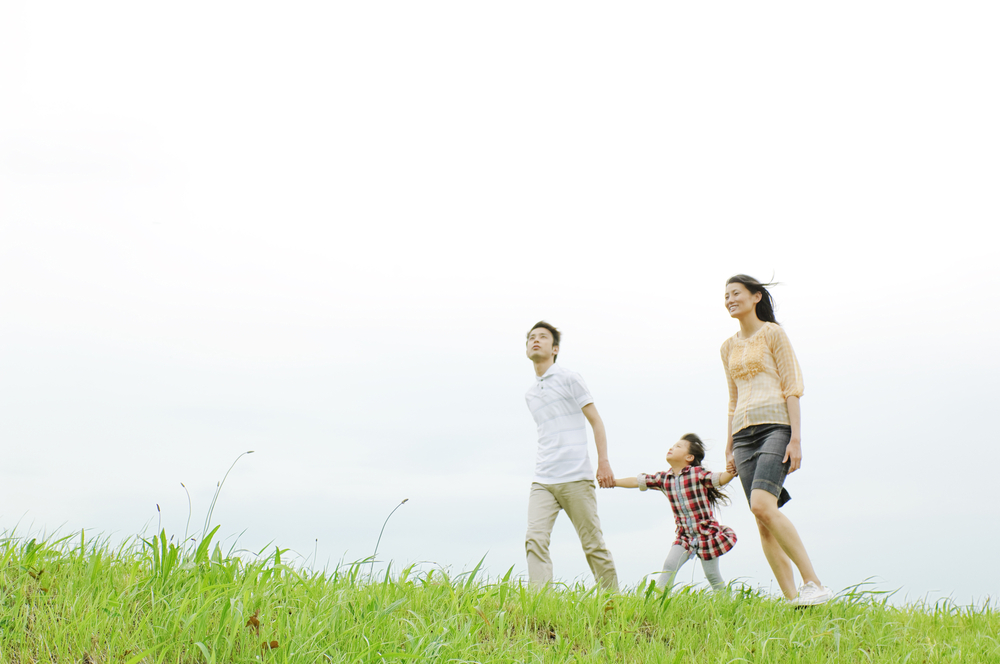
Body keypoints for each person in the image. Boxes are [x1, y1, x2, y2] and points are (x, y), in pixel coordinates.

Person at [722, 274, 832, 606]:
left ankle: (815, 584)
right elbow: (731, 398)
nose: (729, 299)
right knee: (763, 519)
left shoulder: (773, 333)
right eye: (725, 295)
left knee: (762, 505)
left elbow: (792, 386)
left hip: (775, 427)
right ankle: (792, 599)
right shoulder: (727, 346)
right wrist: (728, 444)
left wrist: (795, 439)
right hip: (742, 434)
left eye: (736, 293)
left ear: (756, 297)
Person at [524, 321, 618, 591]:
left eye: (542, 337)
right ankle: (540, 604)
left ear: (554, 348)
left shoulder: (569, 378)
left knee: (593, 545)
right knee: (535, 539)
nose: (535, 340)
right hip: (543, 479)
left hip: (576, 476)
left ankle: (614, 602)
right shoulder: (530, 394)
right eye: (531, 338)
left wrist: (603, 462)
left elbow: (596, 421)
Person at [615, 433, 736, 592]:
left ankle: (726, 604)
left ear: (689, 457)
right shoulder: (664, 479)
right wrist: (613, 482)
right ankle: (657, 602)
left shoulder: (697, 474)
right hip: (684, 536)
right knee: (669, 566)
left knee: (712, 575)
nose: (672, 448)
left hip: (706, 534)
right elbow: (637, 481)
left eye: (678, 446)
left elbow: (720, 479)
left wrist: (732, 470)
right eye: (673, 445)